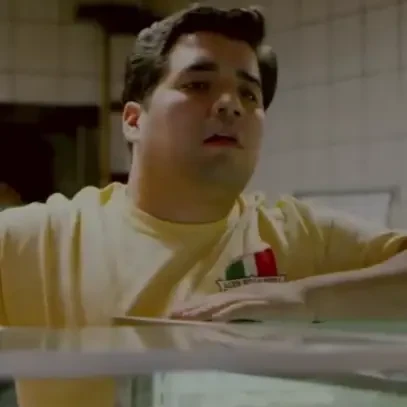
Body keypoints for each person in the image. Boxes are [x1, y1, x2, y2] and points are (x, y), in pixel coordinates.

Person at [1, 4, 407, 407]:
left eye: (249, 94)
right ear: (133, 121)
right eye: (198, 85)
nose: (231, 104)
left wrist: (307, 299)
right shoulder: (42, 240)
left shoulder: (298, 235)